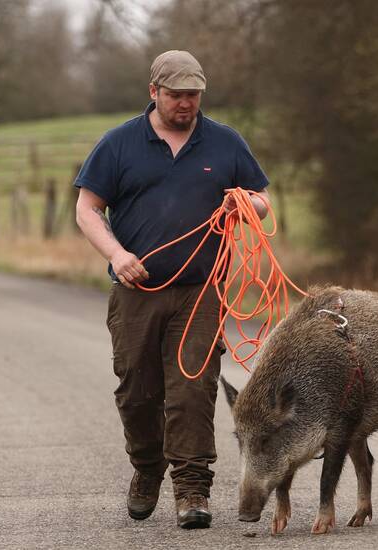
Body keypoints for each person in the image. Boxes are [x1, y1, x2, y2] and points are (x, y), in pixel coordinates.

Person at [75, 50, 270, 529]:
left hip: (202, 290)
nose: (186, 104)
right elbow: (87, 208)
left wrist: (247, 204)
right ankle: (146, 468)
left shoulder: (225, 143)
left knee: (192, 391)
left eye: (193, 95)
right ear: (154, 93)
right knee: (137, 392)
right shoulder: (119, 144)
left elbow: (263, 199)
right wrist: (117, 256)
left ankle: (192, 489)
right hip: (135, 290)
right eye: (176, 95)